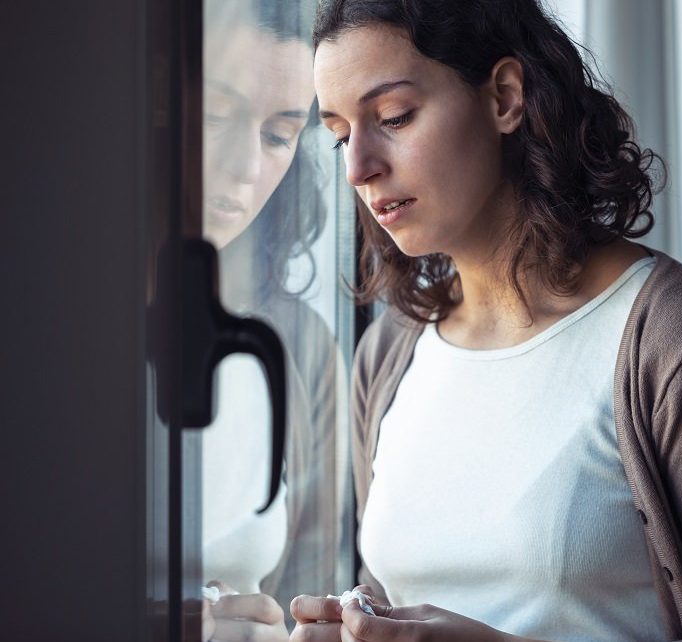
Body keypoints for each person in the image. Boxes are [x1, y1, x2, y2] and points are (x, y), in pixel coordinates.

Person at [291, 0, 682, 640]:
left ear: (504, 97)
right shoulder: (390, 355)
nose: (359, 168)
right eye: (338, 135)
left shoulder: (675, 340)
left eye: (393, 117)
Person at [198, 1, 345, 640]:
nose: (244, 168)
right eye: (210, 117)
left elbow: (312, 608)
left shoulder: (300, 350)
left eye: (278, 135)